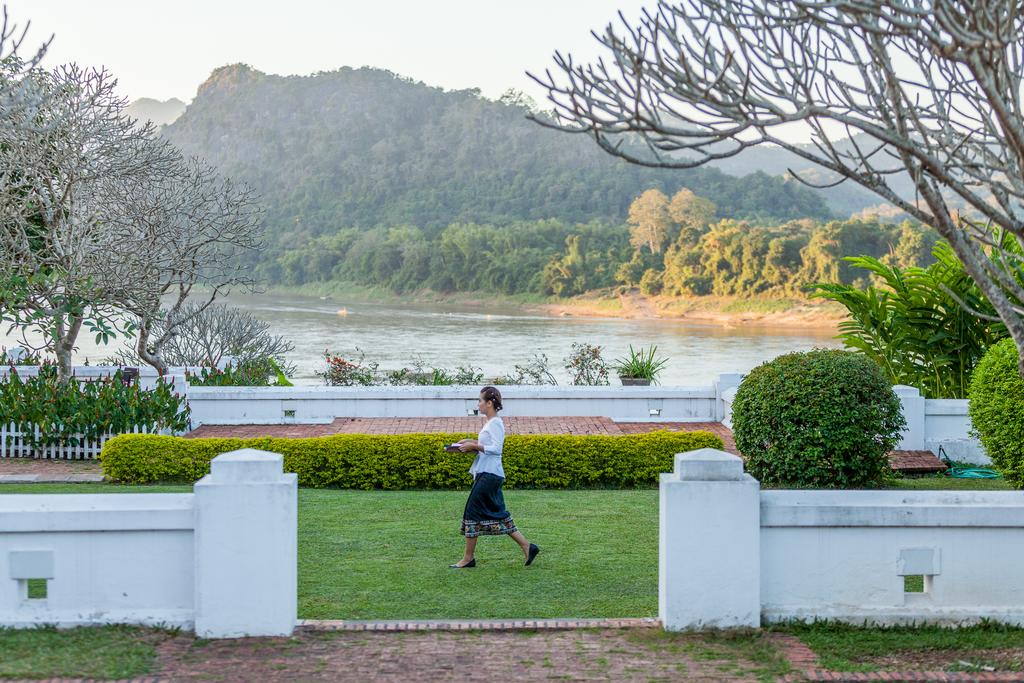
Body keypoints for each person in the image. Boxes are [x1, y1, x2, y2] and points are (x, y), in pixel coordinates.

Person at [449, 386, 539, 568]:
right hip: (487, 473)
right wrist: (470, 443)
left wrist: (475, 446)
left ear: (489, 403)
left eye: (480, 400)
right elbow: (487, 446)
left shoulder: (496, 423)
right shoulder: (490, 423)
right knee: (498, 513)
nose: (478, 404)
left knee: (472, 513)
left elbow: (496, 449)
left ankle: (468, 559)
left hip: (490, 474)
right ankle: (527, 546)